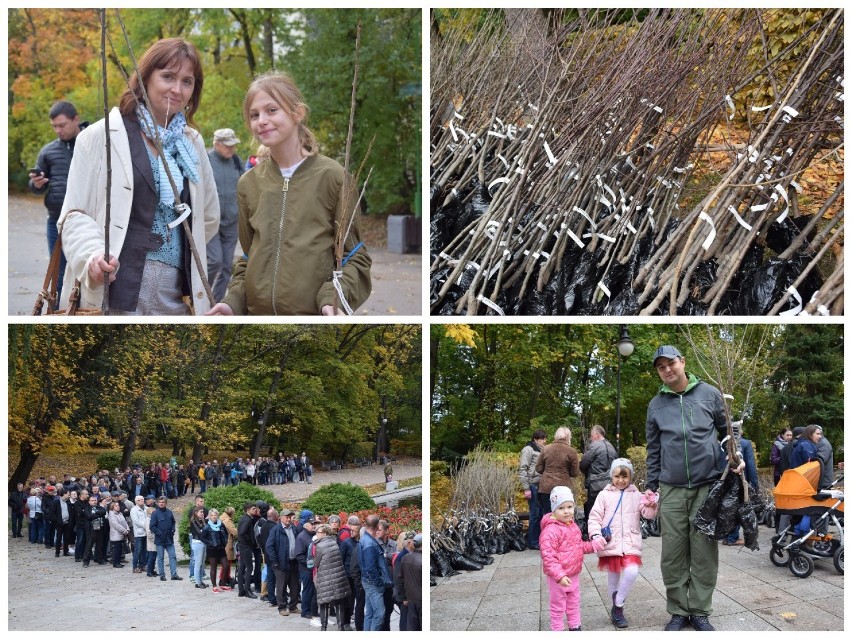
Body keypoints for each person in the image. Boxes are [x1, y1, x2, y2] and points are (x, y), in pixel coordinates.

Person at [57, 38, 220, 315]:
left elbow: (208, 216)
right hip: (113, 294)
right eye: (167, 76)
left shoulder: (192, 144)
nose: (176, 89)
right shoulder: (100, 136)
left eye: (187, 81)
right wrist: (93, 258)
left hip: (174, 299)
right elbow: (74, 215)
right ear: (145, 78)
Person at [206, 70, 371, 316]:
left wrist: (332, 299)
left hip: (314, 322)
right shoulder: (248, 184)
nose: (261, 120)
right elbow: (249, 259)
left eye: (272, 110)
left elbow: (355, 258)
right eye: (254, 115)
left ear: (297, 113)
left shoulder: (333, 177)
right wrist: (234, 302)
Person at [645, 344, 742, 632]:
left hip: (707, 486)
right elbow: (653, 449)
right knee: (672, 554)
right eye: (661, 367)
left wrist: (734, 458)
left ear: (682, 362)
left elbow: (728, 432)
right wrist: (652, 487)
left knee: (703, 551)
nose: (667, 370)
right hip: (671, 488)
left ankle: (700, 610)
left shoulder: (709, 394)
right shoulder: (656, 405)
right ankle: (678, 610)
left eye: (671, 363)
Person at [28, 100, 88, 303]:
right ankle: (58, 316)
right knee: (58, 278)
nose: (58, 130)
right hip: (56, 223)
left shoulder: (93, 143)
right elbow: (37, 188)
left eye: (62, 125)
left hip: (88, 222)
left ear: (76, 120)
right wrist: (37, 184)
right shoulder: (48, 151)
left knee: (87, 277)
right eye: (54, 126)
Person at [588, 459, 658, 628]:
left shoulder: (637, 495)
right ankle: (617, 612)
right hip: (610, 541)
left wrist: (652, 505)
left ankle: (617, 605)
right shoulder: (604, 495)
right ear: (611, 476)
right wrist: (596, 534)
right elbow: (594, 517)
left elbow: (647, 515)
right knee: (613, 575)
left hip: (630, 541)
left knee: (632, 571)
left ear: (630, 477)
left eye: (624, 476)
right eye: (617, 476)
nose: (620, 480)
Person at [540, 486, 606, 631]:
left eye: (570, 506)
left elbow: (578, 546)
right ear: (554, 510)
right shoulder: (550, 531)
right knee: (558, 606)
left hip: (574, 573)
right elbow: (548, 557)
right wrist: (560, 575)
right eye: (561, 508)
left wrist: (594, 545)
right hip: (558, 577)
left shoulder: (572, 526)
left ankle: (575, 626)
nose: (567, 511)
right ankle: (557, 629)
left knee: (573, 603)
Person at [722, 422, 759, 547]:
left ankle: (727, 536)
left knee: (727, 508)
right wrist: (753, 482)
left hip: (725, 480)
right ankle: (733, 538)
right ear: (740, 431)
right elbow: (750, 464)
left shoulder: (724, 443)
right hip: (739, 479)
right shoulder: (745, 443)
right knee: (738, 509)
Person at [579, 424, 618, 537]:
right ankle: (606, 532)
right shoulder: (611, 447)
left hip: (595, 484)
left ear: (596, 435)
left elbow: (583, 463)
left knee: (593, 509)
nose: (591, 438)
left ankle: (592, 533)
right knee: (607, 509)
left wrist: (586, 473)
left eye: (591, 436)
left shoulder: (594, 446)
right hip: (609, 484)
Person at [535, 426, 581, 517]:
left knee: (548, 516)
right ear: (568, 437)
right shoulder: (571, 451)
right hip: (563, 489)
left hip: (546, 488)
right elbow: (575, 473)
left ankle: (547, 531)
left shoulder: (546, 449)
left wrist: (548, 471)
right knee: (563, 517)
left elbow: (538, 468)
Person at [314, 523, 351, 631]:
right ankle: (340, 628)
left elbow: (316, 563)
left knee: (324, 603)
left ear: (324, 534)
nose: (316, 534)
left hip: (325, 578)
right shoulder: (334, 543)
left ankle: (323, 628)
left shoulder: (320, 546)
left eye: (318, 532)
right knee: (339, 603)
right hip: (338, 577)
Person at [358, 514, 391, 631]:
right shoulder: (369, 543)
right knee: (379, 615)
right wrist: (378, 582)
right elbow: (370, 567)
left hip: (368, 582)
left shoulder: (365, 539)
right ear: (377, 526)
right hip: (372, 584)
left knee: (370, 614)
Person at [266, 508, 301, 616]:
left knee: (295, 586)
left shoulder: (294, 529)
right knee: (281, 586)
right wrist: (275, 561)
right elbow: (269, 546)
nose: (289, 519)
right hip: (281, 563)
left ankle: (293, 606)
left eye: (290, 517)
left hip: (293, 562)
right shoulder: (276, 530)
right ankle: (282, 607)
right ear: (281, 518)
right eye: (287, 517)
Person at [519, 429, 547, 550]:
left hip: (542, 485)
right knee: (534, 514)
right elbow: (522, 469)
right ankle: (532, 541)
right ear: (535, 439)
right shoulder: (528, 449)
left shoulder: (543, 450)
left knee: (541, 513)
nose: (544, 441)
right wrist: (526, 488)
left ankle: (539, 539)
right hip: (532, 485)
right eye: (542, 439)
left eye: (545, 438)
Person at [149, 496, 182, 581]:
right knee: (160, 557)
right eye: (160, 502)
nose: (161, 503)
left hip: (169, 539)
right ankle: (162, 575)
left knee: (173, 556)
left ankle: (174, 574)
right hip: (160, 539)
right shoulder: (155, 513)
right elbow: (152, 526)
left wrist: (173, 530)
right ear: (157, 503)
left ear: (166, 503)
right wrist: (160, 533)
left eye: (163, 502)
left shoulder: (169, 512)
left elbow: (173, 522)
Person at [296, 514, 320, 622]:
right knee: (307, 589)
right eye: (312, 524)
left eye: (315, 523)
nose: (314, 525)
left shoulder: (314, 535)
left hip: (314, 568)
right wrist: (309, 563)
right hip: (306, 569)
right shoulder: (302, 536)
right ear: (306, 525)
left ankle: (313, 610)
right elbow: (299, 555)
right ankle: (305, 611)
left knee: (314, 591)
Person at [201, 508, 229, 592]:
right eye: (212, 515)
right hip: (212, 549)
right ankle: (214, 585)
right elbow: (202, 538)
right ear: (209, 516)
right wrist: (211, 543)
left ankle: (223, 583)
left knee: (226, 565)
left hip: (221, 548)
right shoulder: (207, 526)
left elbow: (226, 533)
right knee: (213, 567)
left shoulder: (221, 524)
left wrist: (225, 541)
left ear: (217, 515)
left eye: (215, 515)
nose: (214, 517)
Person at [400, 533, 423, 631]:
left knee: (412, 626)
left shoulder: (405, 558)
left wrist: (404, 597)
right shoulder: (422, 560)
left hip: (411, 598)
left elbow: (400, 578)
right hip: (420, 599)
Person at [237, 501, 260, 597]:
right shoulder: (247, 520)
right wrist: (250, 541)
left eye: (255, 508)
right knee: (249, 567)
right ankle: (247, 590)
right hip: (246, 546)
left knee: (242, 567)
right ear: (248, 510)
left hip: (243, 545)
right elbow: (242, 532)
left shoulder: (247, 518)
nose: (255, 510)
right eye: (253, 509)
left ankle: (241, 590)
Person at [81, 494, 106, 566]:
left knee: (100, 545)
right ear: (89, 502)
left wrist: (96, 513)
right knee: (89, 546)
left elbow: (103, 512)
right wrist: (98, 514)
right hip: (91, 529)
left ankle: (100, 559)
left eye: (95, 500)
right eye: (92, 500)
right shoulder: (87, 509)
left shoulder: (100, 507)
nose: (94, 502)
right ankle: (86, 562)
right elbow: (89, 516)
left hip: (100, 528)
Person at [219, 506, 239, 589]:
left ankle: (226, 578)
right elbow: (234, 532)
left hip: (224, 543)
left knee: (226, 563)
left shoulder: (222, 518)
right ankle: (223, 579)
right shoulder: (227, 521)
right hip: (227, 544)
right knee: (226, 563)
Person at [189, 506, 208, 588]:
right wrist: (204, 530)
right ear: (196, 513)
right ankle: (197, 582)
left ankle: (201, 580)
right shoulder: (193, 521)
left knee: (202, 564)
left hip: (203, 542)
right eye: (201, 512)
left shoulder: (202, 521)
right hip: (197, 543)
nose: (203, 514)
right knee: (198, 563)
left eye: (203, 512)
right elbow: (199, 533)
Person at [107, 500, 130, 568]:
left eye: (118, 505)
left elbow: (125, 522)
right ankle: (115, 563)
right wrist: (124, 531)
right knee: (116, 549)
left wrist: (127, 529)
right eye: (116, 506)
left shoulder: (120, 513)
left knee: (120, 549)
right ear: (112, 507)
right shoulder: (112, 515)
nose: (118, 507)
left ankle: (118, 561)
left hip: (122, 533)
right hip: (116, 534)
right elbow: (116, 525)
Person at [130, 495, 149, 572]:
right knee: (138, 550)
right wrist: (146, 525)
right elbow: (136, 521)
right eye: (140, 500)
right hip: (139, 533)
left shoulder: (146, 508)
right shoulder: (134, 510)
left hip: (146, 532)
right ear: (136, 501)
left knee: (145, 550)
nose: (142, 501)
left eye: (143, 499)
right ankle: (135, 567)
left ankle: (143, 565)